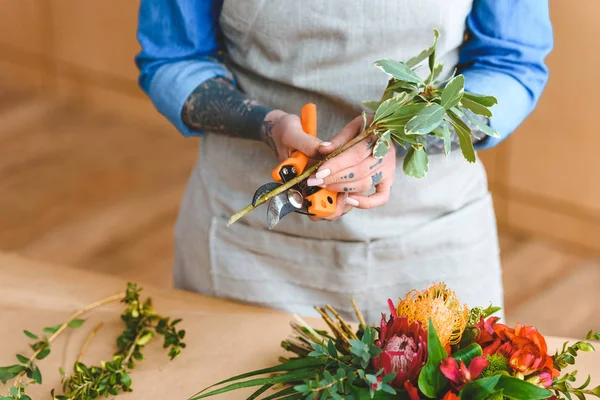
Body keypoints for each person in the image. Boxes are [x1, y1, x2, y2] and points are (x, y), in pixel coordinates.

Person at [135, 1, 553, 323]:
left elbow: (511, 64)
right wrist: (269, 126)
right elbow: (173, 59)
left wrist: (401, 133)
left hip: (429, 243)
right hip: (247, 246)